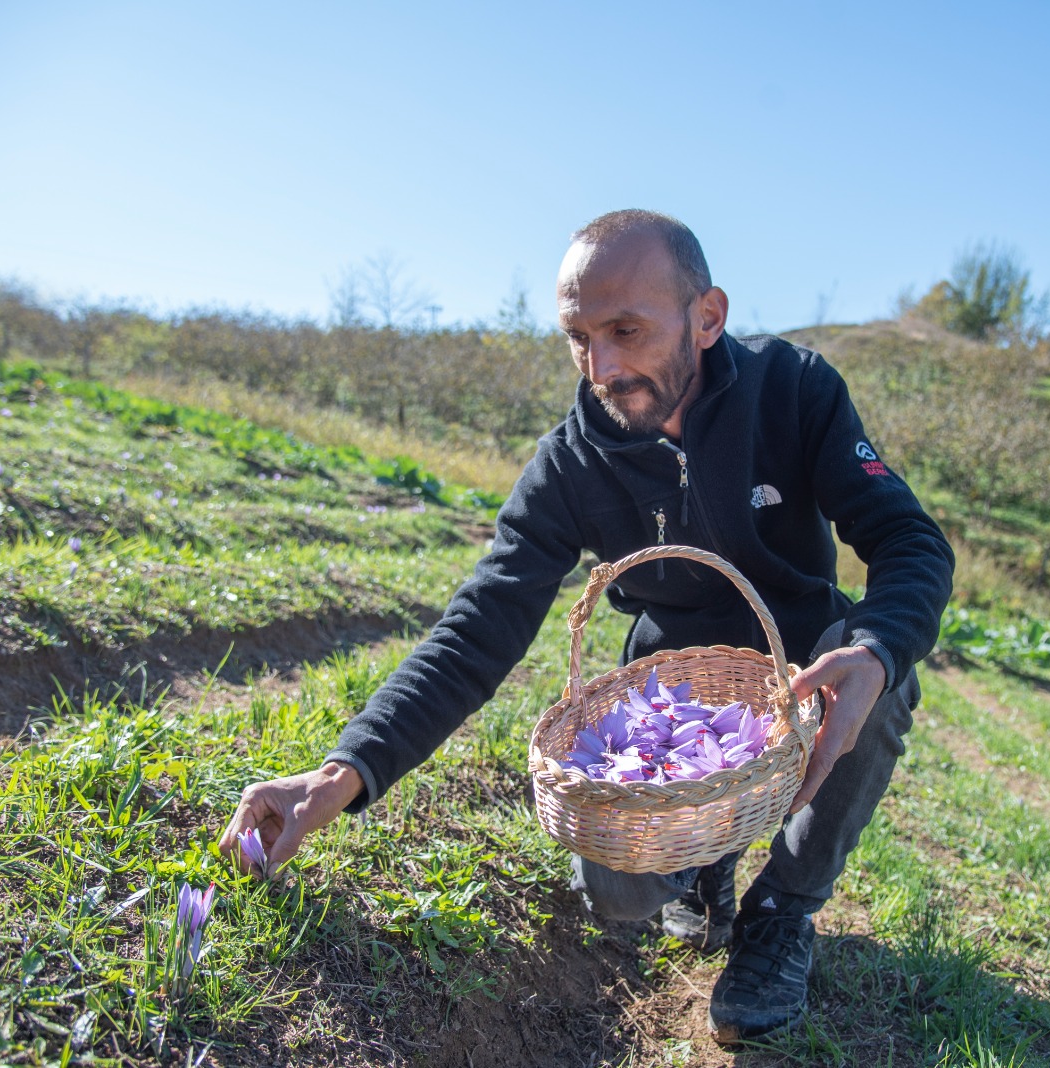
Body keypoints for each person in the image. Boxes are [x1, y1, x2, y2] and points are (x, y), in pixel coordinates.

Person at [220, 209, 954, 1044]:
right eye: (579, 336)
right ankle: (699, 866)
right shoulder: (569, 464)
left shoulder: (795, 391)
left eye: (627, 330)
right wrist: (339, 775)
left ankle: (781, 912)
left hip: (798, 670)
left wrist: (876, 648)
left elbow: (910, 541)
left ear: (707, 317)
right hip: (671, 709)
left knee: (876, 673)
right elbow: (477, 627)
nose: (602, 367)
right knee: (615, 889)